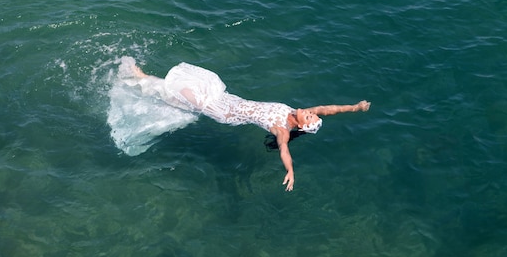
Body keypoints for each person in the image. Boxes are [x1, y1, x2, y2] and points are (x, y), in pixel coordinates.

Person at [129, 61, 371, 191]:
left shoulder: (282, 130)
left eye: (308, 117)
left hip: (223, 112)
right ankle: (148, 84)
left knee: (186, 94)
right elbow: (327, 109)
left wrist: (290, 171)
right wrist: (354, 107)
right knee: (185, 95)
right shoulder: (295, 113)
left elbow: (284, 151)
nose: (308, 112)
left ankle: (144, 80)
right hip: (230, 100)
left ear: (302, 126)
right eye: (310, 113)